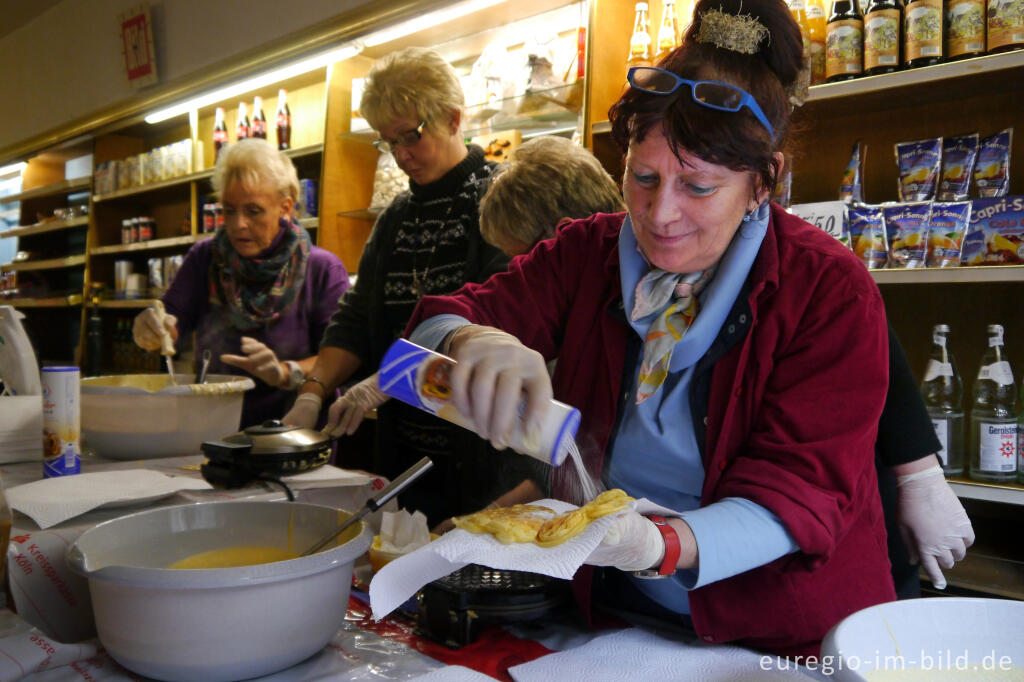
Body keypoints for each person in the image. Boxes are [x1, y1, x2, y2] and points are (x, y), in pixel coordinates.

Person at [404, 0, 897, 656]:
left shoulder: (827, 289)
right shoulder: (588, 255)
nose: (661, 214)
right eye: (643, 177)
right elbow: (418, 342)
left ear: (763, 183)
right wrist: (465, 342)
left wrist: (654, 543)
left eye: (698, 188)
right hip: (623, 621)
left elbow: (800, 491)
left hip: (782, 633)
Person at [282, 47, 537, 527]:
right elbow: (357, 317)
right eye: (387, 141)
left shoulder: (499, 199)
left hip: (485, 456)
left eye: (410, 136)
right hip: (406, 456)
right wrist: (313, 392)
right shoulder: (396, 217)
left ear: (453, 118)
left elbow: (496, 322)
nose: (400, 155)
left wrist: (392, 376)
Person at [132, 138, 349, 428]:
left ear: (285, 208)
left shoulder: (322, 268)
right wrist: (152, 329)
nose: (238, 224)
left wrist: (286, 372)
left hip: (295, 428)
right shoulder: (206, 257)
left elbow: (340, 357)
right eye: (230, 210)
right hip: (213, 424)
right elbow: (171, 321)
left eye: (254, 211)